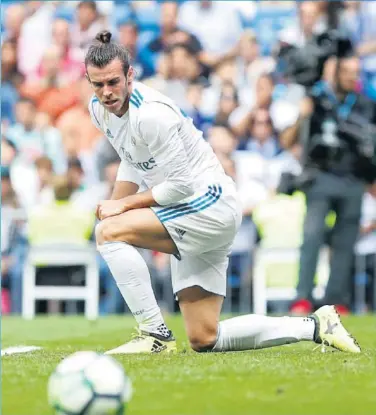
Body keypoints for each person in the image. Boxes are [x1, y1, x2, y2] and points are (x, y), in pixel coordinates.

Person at [86, 30, 360, 355]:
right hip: (189, 210)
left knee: (108, 232)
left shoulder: (152, 114)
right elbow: (132, 160)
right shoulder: (100, 110)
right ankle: (316, 325)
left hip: (208, 205)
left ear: (130, 75)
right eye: (98, 84)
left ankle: (154, 334)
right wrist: (119, 203)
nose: (106, 92)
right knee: (205, 337)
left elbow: (181, 186)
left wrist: (123, 206)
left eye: (113, 82)